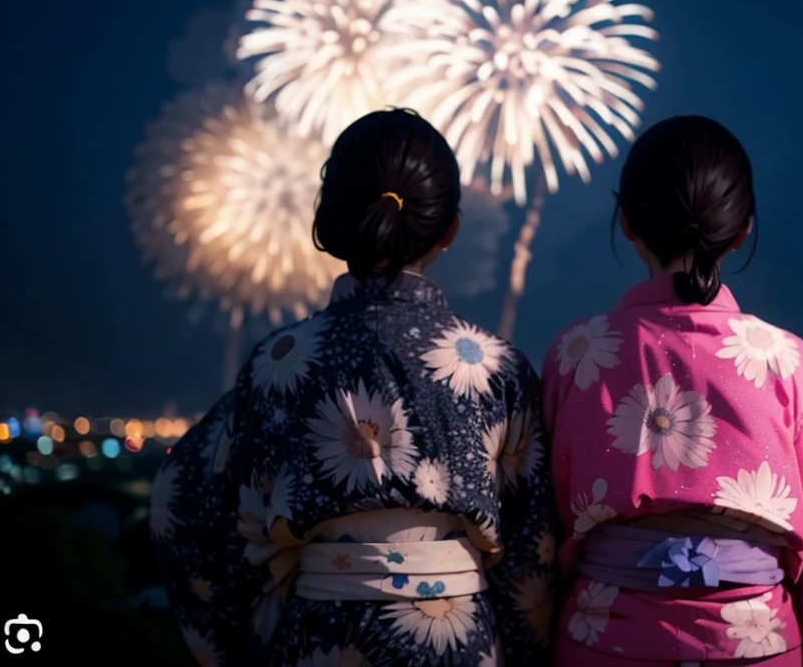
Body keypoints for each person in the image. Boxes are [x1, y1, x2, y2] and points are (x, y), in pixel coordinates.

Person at [151, 109, 557, 667]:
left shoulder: (277, 363)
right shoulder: (498, 367)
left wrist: (237, 641)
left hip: (319, 634)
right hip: (457, 643)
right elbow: (531, 552)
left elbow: (181, 502)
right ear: (449, 229)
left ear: (328, 219)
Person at [541, 115, 803, 666]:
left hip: (605, 637)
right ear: (741, 230)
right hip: (754, 642)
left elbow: (537, 517)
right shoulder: (783, 359)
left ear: (628, 223)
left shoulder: (576, 352)